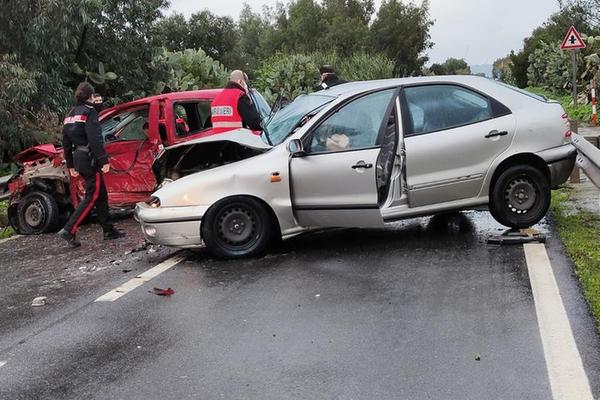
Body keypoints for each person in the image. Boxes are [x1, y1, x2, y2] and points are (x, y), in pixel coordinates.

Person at [57, 82, 125, 247]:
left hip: (79, 157)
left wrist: (71, 165)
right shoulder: (90, 112)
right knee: (92, 196)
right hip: (90, 158)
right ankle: (68, 229)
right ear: (90, 97)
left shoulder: (70, 115)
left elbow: (65, 142)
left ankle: (108, 230)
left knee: (100, 194)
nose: (95, 99)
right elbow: (94, 139)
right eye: (94, 96)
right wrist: (104, 160)